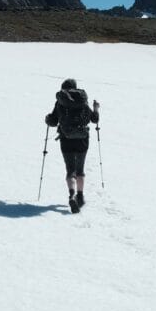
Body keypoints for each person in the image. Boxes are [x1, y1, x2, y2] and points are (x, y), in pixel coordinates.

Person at [45, 78, 100, 213]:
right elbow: (94, 119)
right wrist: (96, 108)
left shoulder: (60, 102)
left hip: (66, 138)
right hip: (82, 139)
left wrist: (47, 118)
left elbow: (52, 121)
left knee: (70, 170)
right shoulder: (82, 101)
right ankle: (80, 196)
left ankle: (72, 195)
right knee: (80, 169)